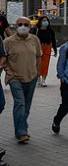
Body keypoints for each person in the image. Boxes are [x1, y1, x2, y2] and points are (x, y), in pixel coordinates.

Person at [2, 16, 41, 144]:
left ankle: (19, 127)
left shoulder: (34, 39)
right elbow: (3, 59)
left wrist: (37, 73)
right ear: (15, 26)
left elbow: (38, 57)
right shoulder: (8, 41)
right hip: (15, 78)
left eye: (26, 24)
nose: (23, 27)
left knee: (26, 107)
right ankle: (22, 132)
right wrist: (9, 72)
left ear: (30, 27)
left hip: (31, 77)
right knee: (20, 103)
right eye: (20, 24)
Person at [31, 16, 57, 87]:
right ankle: (38, 77)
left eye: (46, 20)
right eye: (44, 20)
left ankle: (43, 80)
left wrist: (55, 50)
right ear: (40, 22)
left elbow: (53, 40)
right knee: (38, 63)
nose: (45, 22)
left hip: (47, 47)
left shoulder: (50, 30)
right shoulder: (35, 29)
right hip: (38, 47)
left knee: (45, 64)